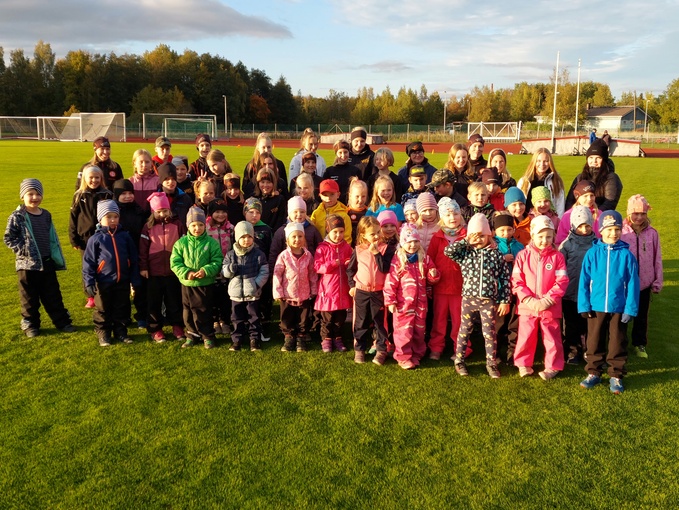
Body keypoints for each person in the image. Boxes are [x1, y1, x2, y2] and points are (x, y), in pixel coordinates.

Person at [578, 210, 640, 394]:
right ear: (601, 231)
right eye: (610, 229)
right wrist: (584, 305)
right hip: (595, 306)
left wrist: (630, 309)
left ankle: (616, 374)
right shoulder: (592, 253)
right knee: (594, 341)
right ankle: (593, 372)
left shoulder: (627, 256)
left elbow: (633, 284)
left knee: (617, 341)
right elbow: (584, 281)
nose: (614, 233)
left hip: (619, 306)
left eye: (617, 229)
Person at [4, 179, 76, 337]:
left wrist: (54, 255)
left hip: (46, 261)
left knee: (53, 294)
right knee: (29, 298)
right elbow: (9, 238)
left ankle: (62, 322)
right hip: (27, 265)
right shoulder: (18, 216)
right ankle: (31, 325)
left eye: (38, 194)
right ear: (22, 196)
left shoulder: (46, 215)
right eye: (30, 194)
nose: (34, 197)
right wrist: (23, 249)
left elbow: (52, 237)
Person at [445, 213, 511, 378]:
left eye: (482, 236)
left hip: (489, 301)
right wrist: (466, 241)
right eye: (475, 236)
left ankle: (491, 363)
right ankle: (459, 360)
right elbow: (448, 251)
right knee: (464, 330)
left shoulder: (496, 254)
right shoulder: (465, 253)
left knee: (489, 332)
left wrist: (504, 300)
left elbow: (504, 278)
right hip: (469, 299)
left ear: (489, 235)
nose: (479, 239)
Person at [511, 216, 568, 380]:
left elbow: (562, 281)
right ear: (533, 235)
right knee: (526, 336)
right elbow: (517, 280)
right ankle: (523, 364)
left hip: (550, 306)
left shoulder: (557, 257)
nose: (544, 240)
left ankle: (553, 366)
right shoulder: (522, 256)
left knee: (552, 338)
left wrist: (548, 300)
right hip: (527, 306)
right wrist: (528, 299)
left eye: (549, 236)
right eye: (540, 236)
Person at [83, 200, 140, 346]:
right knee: (103, 309)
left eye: (115, 216)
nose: (113, 220)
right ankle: (104, 333)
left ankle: (121, 332)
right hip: (103, 282)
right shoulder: (95, 239)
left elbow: (133, 259)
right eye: (108, 217)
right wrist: (89, 282)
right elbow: (88, 263)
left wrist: (134, 279)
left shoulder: (125, 236)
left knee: (122, 308)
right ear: (100, 219)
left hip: (123, 280)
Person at [384, 225, 440, 369]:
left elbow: (431, 279)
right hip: (403, 304)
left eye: (415, 241)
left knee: (419, 330)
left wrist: (433, 274)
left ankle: (416, 354)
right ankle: (403, 357)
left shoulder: (424, 258)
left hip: (421, 303)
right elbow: (391, 281)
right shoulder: (398, 260)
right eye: (409, 242)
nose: (413, 245)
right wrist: (390, 301)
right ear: (403, 243)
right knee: (404, 330)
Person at [170, 206, 224, 349]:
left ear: (205, 225)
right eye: (193, 225)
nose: (197, 228)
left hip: (205, 283)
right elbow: (175, 262)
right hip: (187, 284)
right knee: (187, 311)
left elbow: (217, 260)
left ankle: (207, 335)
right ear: (188, 226)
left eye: (200, 225)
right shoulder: (181, 243)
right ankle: (191, 334)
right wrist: (186, 273)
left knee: (204, 310)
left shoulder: (211, 243)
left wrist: (206, 271)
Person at [139, 192, 186, 343]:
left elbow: (184, 245)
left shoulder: (177, 225)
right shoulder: (148, 227)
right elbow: (143, 249)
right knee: (154, 302)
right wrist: (144, 267)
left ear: (169, 210)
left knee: (174, 301)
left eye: (165, 210)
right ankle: (155, 329)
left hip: (174, 271)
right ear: (153, 212)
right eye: (158, 211)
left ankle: (177, 326)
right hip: (154, 272)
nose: (162, 214)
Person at [348, 216, 395, 365]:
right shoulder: (358, 250)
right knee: (360, 322)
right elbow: (350, 269)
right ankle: (359, 349)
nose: (376, 236)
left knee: (380, 323)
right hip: (361, 291)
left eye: (378, 232)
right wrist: (352, 286)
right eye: (372, 234)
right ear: (363, 235)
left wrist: (376, 253)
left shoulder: (386, 249)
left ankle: (381, 350)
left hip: (379, 292)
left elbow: (385, 268)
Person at [621, 195, 663, 358]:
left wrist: (657, 280)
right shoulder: (621, 232)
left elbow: (657, 258)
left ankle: (639, 344)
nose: (639, 217)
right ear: (628, 212)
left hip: (645, 282)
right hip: (624, 283)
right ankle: (620, 344)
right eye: (635, 213)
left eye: (642, 213)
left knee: (641, 316)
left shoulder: (652, 233)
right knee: (621, 316)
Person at [69, 165, 114, 308]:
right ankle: (90, 295)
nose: (94, 180)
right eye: (91, 178)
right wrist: (73, 238)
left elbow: (112, 215)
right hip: (85, 238)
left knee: (103, 264)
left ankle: (104, 291)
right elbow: (73, 217)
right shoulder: (79, 195)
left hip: (103, 236)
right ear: (85, 178)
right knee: (88, 266)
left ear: (101, 178)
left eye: (97, 177)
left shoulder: (107, 194)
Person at [426, 197, 465, 360]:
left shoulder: (466, 237)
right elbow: (430, 259)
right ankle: (436, 347)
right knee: (439, 320)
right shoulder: (437, 237)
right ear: (442, 218)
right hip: (441, 287)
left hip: (460, 288)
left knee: (460, 321)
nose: (452, 218)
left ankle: (460, 348)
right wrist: (432, 274)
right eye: (448, 215)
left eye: (455, 213)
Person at [222, 220, 270, 351]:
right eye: (243, 237)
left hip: (252, 293)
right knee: (236, 318)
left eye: (249, 237)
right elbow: (224, 271)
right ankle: (237, 339)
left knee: (253, 317)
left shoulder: (258, 254)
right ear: (237, 238)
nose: (246, 240)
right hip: (236, 294)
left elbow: (264, 271)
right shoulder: (231, 254)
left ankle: (254, 339)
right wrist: (230, 269)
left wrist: (256, 284)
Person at [558, 205, 596, 365]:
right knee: (571, 324)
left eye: (587, 226)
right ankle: (572, 351)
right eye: (580, 226)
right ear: (574, 225)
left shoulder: (596, 244)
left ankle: (588, 350)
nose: (584, 230)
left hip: (589, 293)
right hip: (570, 293)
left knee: (588, 324)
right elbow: (560, 269)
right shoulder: (566, 245)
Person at [273, 222, 318, 352]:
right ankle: (289, 337)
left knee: (303, 319)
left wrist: (313, 290)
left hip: (304, 294)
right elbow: (277, 274)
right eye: (294, 237)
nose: (297, 239)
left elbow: (312, 274)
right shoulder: (284, 256)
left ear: (304, 238)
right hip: (287, 295)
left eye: (300, 236)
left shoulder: (308, 256)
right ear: (287, 240)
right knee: (287, 318)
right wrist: (278, 292)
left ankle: (301, 338)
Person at [314, 215, 353, 353]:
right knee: (327, 318)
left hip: (342, 290)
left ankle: (338, 337)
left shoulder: (347, 247)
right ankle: (326, 339)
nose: (338, 235)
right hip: (328, 290)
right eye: (335, 232)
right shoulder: (322, 248)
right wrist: (332, 264)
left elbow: (352, 263)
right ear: (328, 230)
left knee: (340, 317)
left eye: (341, 231)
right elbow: (317, 266)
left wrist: (349, 264)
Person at [114, 178, 148, 328]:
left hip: (136, 253)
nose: (128, 196)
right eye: (123, 194)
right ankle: (123, 317)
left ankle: (142, 316)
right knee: (121, 288)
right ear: (117, 195)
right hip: (119, 255)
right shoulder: (114, 213)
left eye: (130, 193)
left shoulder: (139, 211)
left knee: (139, 286)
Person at [492, 211, 524, 363]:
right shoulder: (492, 245)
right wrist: (502, 259)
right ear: (495, 231)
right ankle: (496, 351)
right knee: (498, 323)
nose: (506, 233)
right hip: (498, 291)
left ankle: (512, 351)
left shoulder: (519, 246)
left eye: (509, 229)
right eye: (502, 230)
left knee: (514, 322)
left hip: (516, 290)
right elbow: (488, 265)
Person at [565, 139, 622, 212]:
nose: (594, 161)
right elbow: (570, 201)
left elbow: (610, 203)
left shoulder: (611, 178)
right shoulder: (580, 177)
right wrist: (570, 214)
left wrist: (593, 215)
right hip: (579, 216)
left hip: (599, 216)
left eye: (598, 158)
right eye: (591, 158)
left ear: (604, 160)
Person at [206, 199, 235, 336]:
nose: (221, 215)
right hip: (211, 268)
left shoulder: (231, 228)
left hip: (226, 268)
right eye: (217, 212)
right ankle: (214, 321)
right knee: (211, 297)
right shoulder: (205, 228)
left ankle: (224, 321)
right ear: (211, 213)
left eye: (223, 212)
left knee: (224, 297)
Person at [517, 148, 566, 216]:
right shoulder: (524, 181)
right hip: (527, 219)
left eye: (545, 161)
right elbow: (518, 203)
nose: (542, 164)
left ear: (550, 162)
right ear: (534, 162)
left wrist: (558, 221)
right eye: (538, 161)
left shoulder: (556, 181)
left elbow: (560, 205)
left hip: (548, 220)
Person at [555, 180, 601, 245]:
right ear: (577, 197)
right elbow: (561, 239)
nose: (589, 199)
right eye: (585, 196)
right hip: (573, 249)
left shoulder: (600, 214)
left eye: (592, 195)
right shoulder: (568, 215)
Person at [310, 179, 352, 244]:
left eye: (332, 194)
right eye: (325, 195)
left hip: (338, 248)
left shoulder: (343, 215)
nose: (328, 198)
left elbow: (347, 238)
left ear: (338, 194)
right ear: (320, 196)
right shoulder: (316, 213)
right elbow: (312, 233)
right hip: (320, 248)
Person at [323, 140, 361, 205]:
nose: (343, 155)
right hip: (334, 206)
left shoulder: (355, 171)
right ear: (336, 154)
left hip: (350, 206)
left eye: (345, 152)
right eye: (340, 152)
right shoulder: (329, 171)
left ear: (349, 153)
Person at [254, 168, 287, 233]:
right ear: (258, 183)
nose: (265, 185)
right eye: (262, 182)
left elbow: (280, 221)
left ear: (273, 183)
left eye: (268, 182)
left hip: (274, 234)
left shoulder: (279, 199)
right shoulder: (254, 199)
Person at [346, 178, 368, 246]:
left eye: (363, 196)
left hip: (364, 246)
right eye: (357, 196)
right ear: (350, 196)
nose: (360, 200)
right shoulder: (346, 212)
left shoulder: (369, 212)